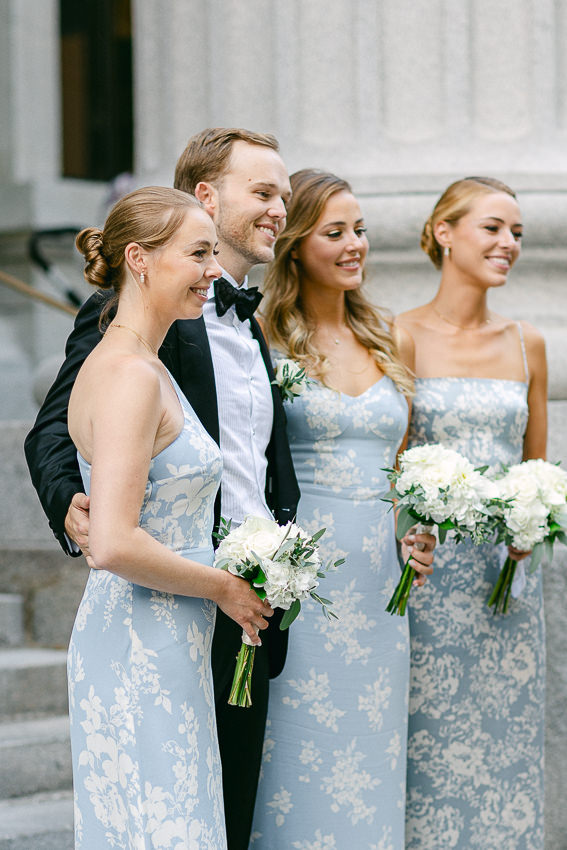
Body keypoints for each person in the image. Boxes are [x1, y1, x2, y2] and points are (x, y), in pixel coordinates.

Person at [24, 129, 299, 850]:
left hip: (225, 607)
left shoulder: (245, 324)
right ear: (139, 259)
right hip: (168, 606)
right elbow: (58, 436)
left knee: (213, 819)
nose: (279, 209)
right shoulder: (130, 357)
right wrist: (76, 508)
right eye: (264, 192)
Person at [65, 185, 274, 846]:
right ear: (139, 259)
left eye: (214, 252)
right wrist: (227, 587)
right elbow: (114, 543)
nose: (214, 269)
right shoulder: (128, 374)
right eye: (198, 253)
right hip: (138, 640)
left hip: (169, 637)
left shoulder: (149, 364)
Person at [249, 169, 435, 850]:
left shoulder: (391, 337)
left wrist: (416, 533)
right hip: (302, 581)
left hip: (380, 587)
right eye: (335, 232)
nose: (355, 244)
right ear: (295, 244)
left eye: (358, 229)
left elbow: (403, 470)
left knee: (371, 752)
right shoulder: (262, 338)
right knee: (296, 750)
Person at [395, 177, 547, 850]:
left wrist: (528, 528)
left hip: (508, 582)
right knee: (426, 742)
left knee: (502, 743)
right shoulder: (397, 336)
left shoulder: (527, 345)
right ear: (443, 232)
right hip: (427, 583)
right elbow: (389, 466)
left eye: (516, 233)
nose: (508, 244)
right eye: (492, 228)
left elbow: (534, 469)